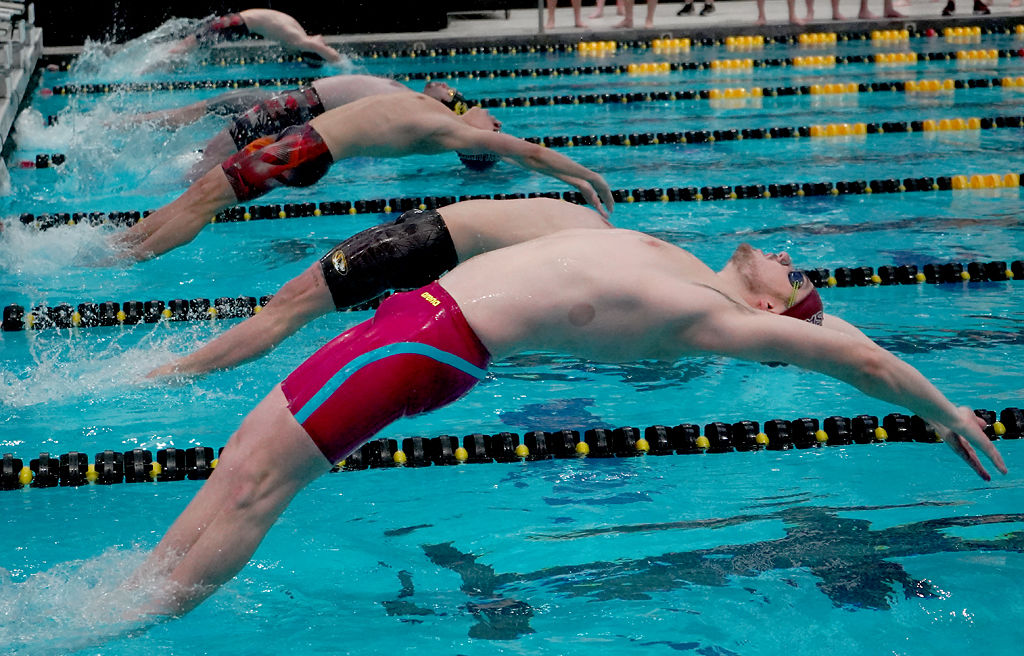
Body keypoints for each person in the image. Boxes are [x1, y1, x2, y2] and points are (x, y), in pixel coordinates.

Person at [126, 228, 1006, 622]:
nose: (783, 253)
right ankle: (140, 584)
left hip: (427, 343)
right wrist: (846, 337)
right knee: (240, 462)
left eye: (792, 271)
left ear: (774, 306)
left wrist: (942, 410)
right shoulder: (695, 271)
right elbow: (838, 330)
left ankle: (131, 623)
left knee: (252, 489)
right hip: (414, 324)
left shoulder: (717, 319)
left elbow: (847, 354)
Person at [114, 92, 614, 261]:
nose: (497, 120)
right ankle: (123, 245)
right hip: (301, 145)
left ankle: (124, 256)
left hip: (304, 150)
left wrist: (583, 175)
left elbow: (524, 153)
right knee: (203, 195)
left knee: (204, 203)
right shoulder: (434, 104)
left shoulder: (448, 129)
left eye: (496, 125)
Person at [146, 198, 612, 378]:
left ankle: (181, 369)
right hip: (418, 247)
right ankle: (184, 369)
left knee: (284, 311)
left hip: (411, 241)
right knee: (286, 312)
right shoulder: (592, 243)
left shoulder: (581, 223)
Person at [181, 79, 464, 180]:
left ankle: (164, 189)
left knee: (213, 157)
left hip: (296, 109)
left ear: (445, 105)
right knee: (215, 155)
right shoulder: (405, 96)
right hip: (296, 107)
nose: (445, 85)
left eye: (450, 92)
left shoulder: (407, 106)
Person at [165, 9, 341, 66]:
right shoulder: (296, 39)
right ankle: (151, 68)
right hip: (237, 24)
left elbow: (317, 41)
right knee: (182, 50)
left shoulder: (297, 29)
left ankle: (159, 60)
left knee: (188, 47)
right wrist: (342, 64)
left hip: (236, 22)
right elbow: (326, 51)